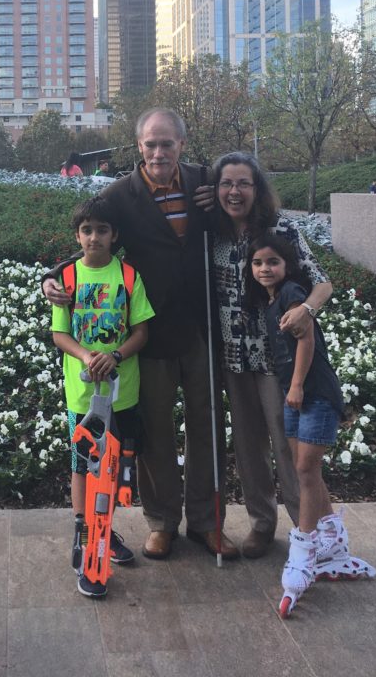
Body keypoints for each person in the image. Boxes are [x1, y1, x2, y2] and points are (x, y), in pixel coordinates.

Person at [45, 109, 238, 561]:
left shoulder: (204, 184)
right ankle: (162, 522)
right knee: (155, 432)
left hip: (202, 326)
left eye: (167, 143)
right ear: (139, 147)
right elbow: (92, 240)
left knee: (206, 427)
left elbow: (240, 216)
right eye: (151, 144)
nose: (159, 152)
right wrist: (52, 276)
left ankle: (208, 523)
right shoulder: (120, 195)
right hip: (149, 333)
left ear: (181, 145)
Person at [245, 234, 376, 616]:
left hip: (313, 392)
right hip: (293, 392)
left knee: (304, 468)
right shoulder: (272, 301)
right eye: (258, 263)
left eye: (272, 262)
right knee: (305, 468)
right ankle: (332, 540)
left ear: (286, 266)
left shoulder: (292, 294)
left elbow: (306, 341)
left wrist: (298, 384)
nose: (265, 269)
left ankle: (303, 553)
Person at [212, 151, 332, 559]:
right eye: (226, 183)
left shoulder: (281, 229)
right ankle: (262, 524)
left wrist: (306, 310)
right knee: (248, 446)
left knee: (287, 445)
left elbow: (322, 283)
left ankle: (306, 529)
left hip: (276, 358)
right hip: (232, 356)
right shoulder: (210, 232)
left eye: (243, 183)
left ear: (257, 188)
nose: (234, 191)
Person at [51, 196, 155, 598]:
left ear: (115, 236)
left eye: (102, 230)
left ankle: (104, 530)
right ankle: (84, 532)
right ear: (77, 235)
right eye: (87, 230)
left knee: (112, 468)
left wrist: (114, 356)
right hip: (83, 397)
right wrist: (86, 356)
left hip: (122, 394)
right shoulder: (68, 281)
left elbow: (140, 332)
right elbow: (61, 334)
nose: (94, 237)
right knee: (83, 466)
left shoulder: (128, 278)